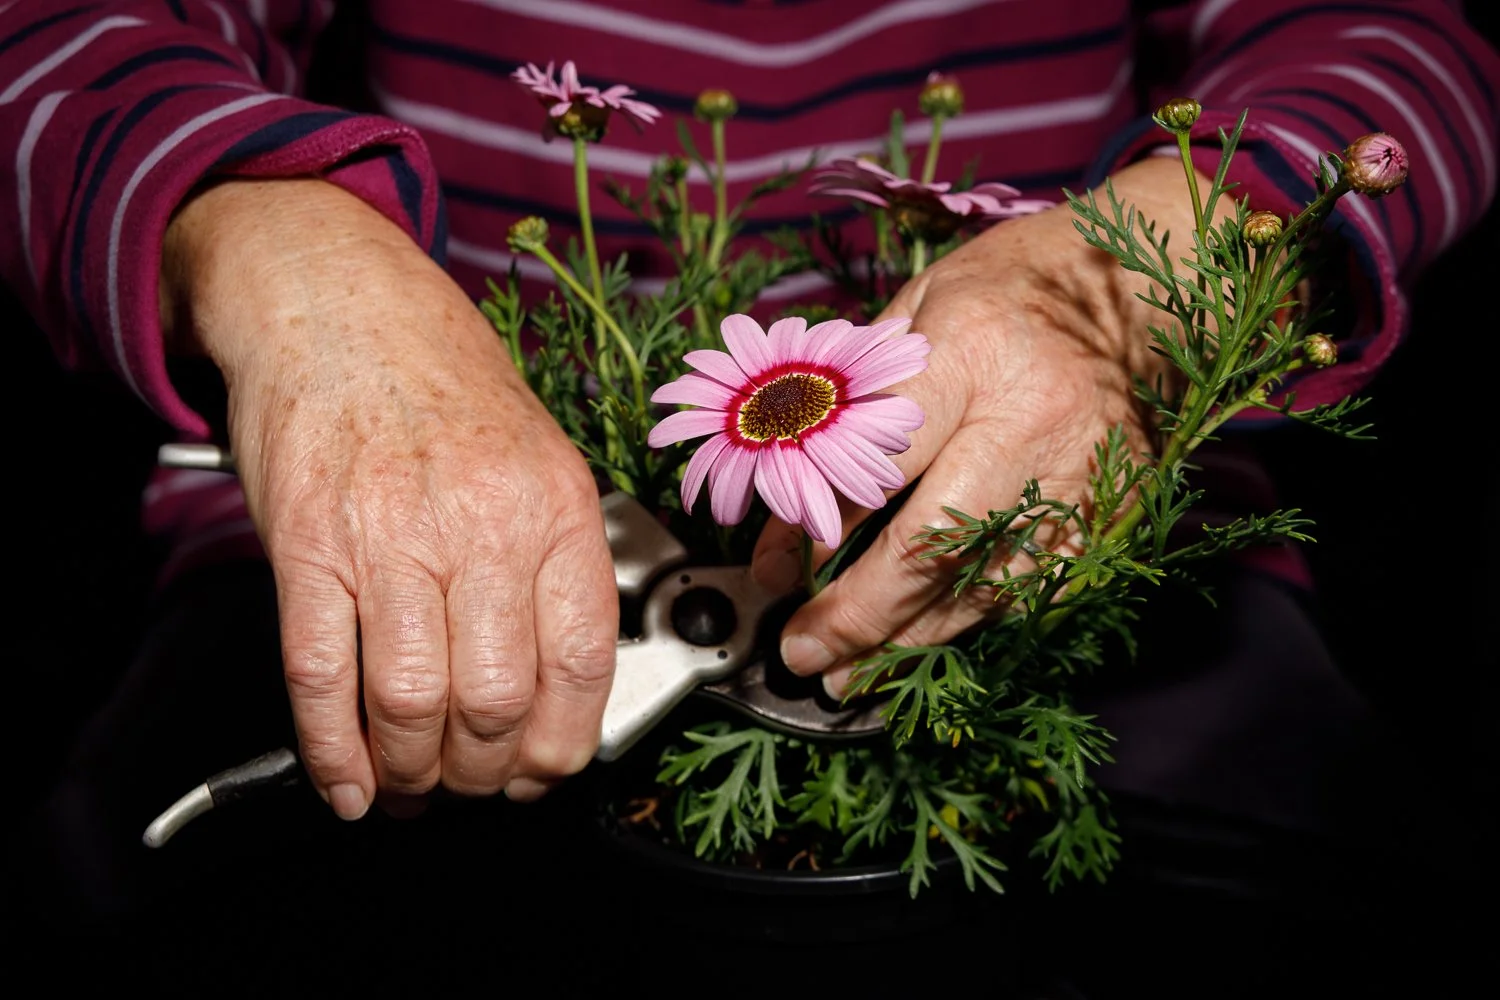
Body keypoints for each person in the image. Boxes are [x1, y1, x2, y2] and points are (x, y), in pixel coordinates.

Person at [3, 0, 1496, 991]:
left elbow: (1404, 41)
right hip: (405, 514)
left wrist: (1124, 289)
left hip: (1102, 527)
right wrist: (276, 248)